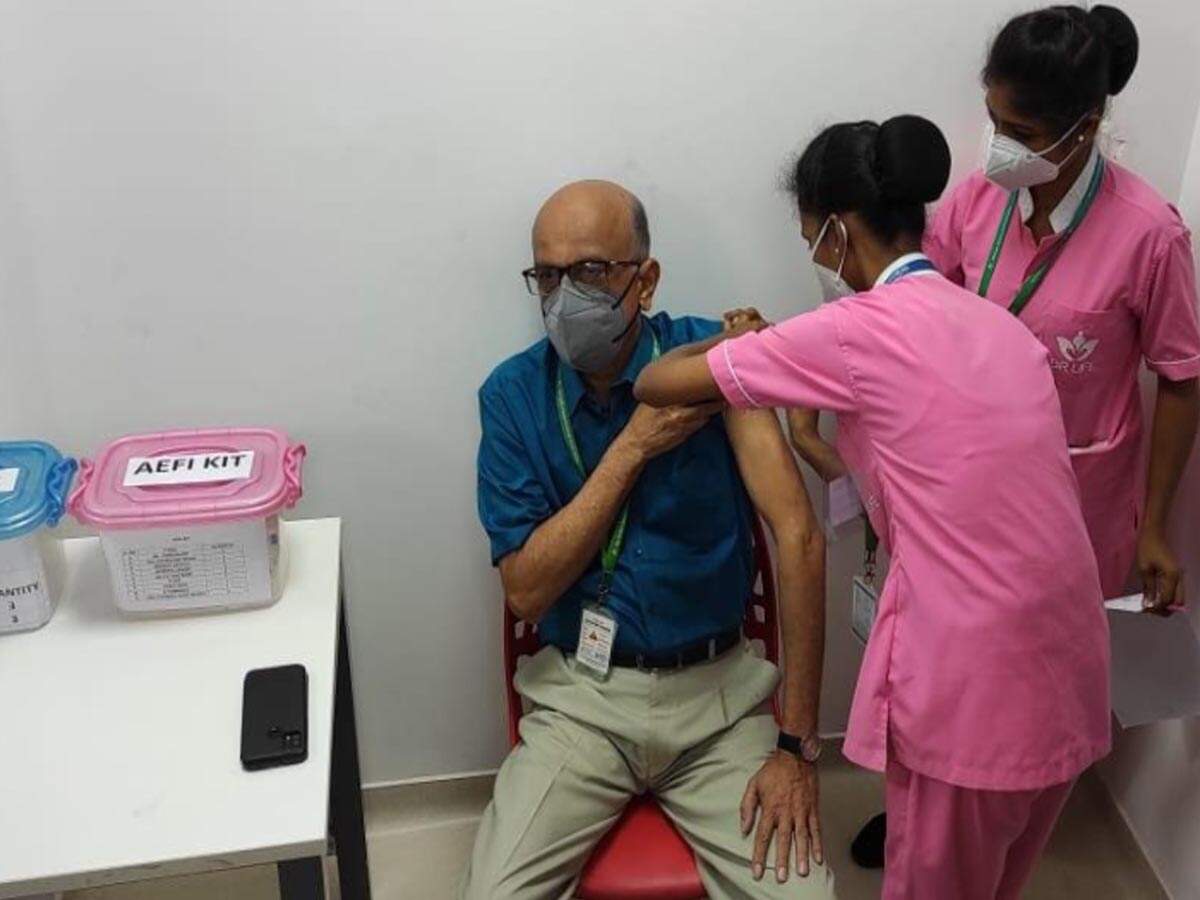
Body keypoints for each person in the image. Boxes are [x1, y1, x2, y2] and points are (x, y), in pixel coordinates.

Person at [633, 116, 1111, 900]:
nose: (815, 258)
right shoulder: (994, 324)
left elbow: (655, 385)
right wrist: (806, 436)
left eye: (810, 240)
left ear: (837, 229)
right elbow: (929, 476)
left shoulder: (854, 331)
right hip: (1068, 667)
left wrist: (739, 343)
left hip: (974, 686)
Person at [814, 7, 1200, 869]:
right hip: (963, 498)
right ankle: (924, 812)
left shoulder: (1149, 234)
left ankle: (1005, 820)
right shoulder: (978, 202)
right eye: (993, 121)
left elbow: (1181, 377)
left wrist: (1154, 529)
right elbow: (923, 311)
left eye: (1018, 132)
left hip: (1077, 510)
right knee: (941, 678)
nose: (997, 148)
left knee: (1038, 689)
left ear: (1083, 128)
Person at [462, 179, 837, 899]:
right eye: (548, 276)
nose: (565, 298)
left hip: (720, 703)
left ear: (646, 278)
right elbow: (527, 592)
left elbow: (799, 538)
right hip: (583, 700)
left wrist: (796, 747)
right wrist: (633, 447)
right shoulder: (511, 397)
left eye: (590, 271)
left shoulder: (714, 361)